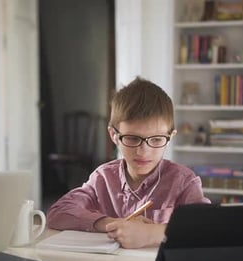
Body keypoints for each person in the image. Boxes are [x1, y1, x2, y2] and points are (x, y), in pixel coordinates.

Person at [47, 76, 210, 249]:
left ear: (170, 137)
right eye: (132, 138)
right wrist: (113, 224)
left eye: (156, 140)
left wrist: (153, 233)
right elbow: (58, 213)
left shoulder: (183, 181)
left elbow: (207, 227)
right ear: (114, 135)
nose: (143, 151)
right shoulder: (103, 178)